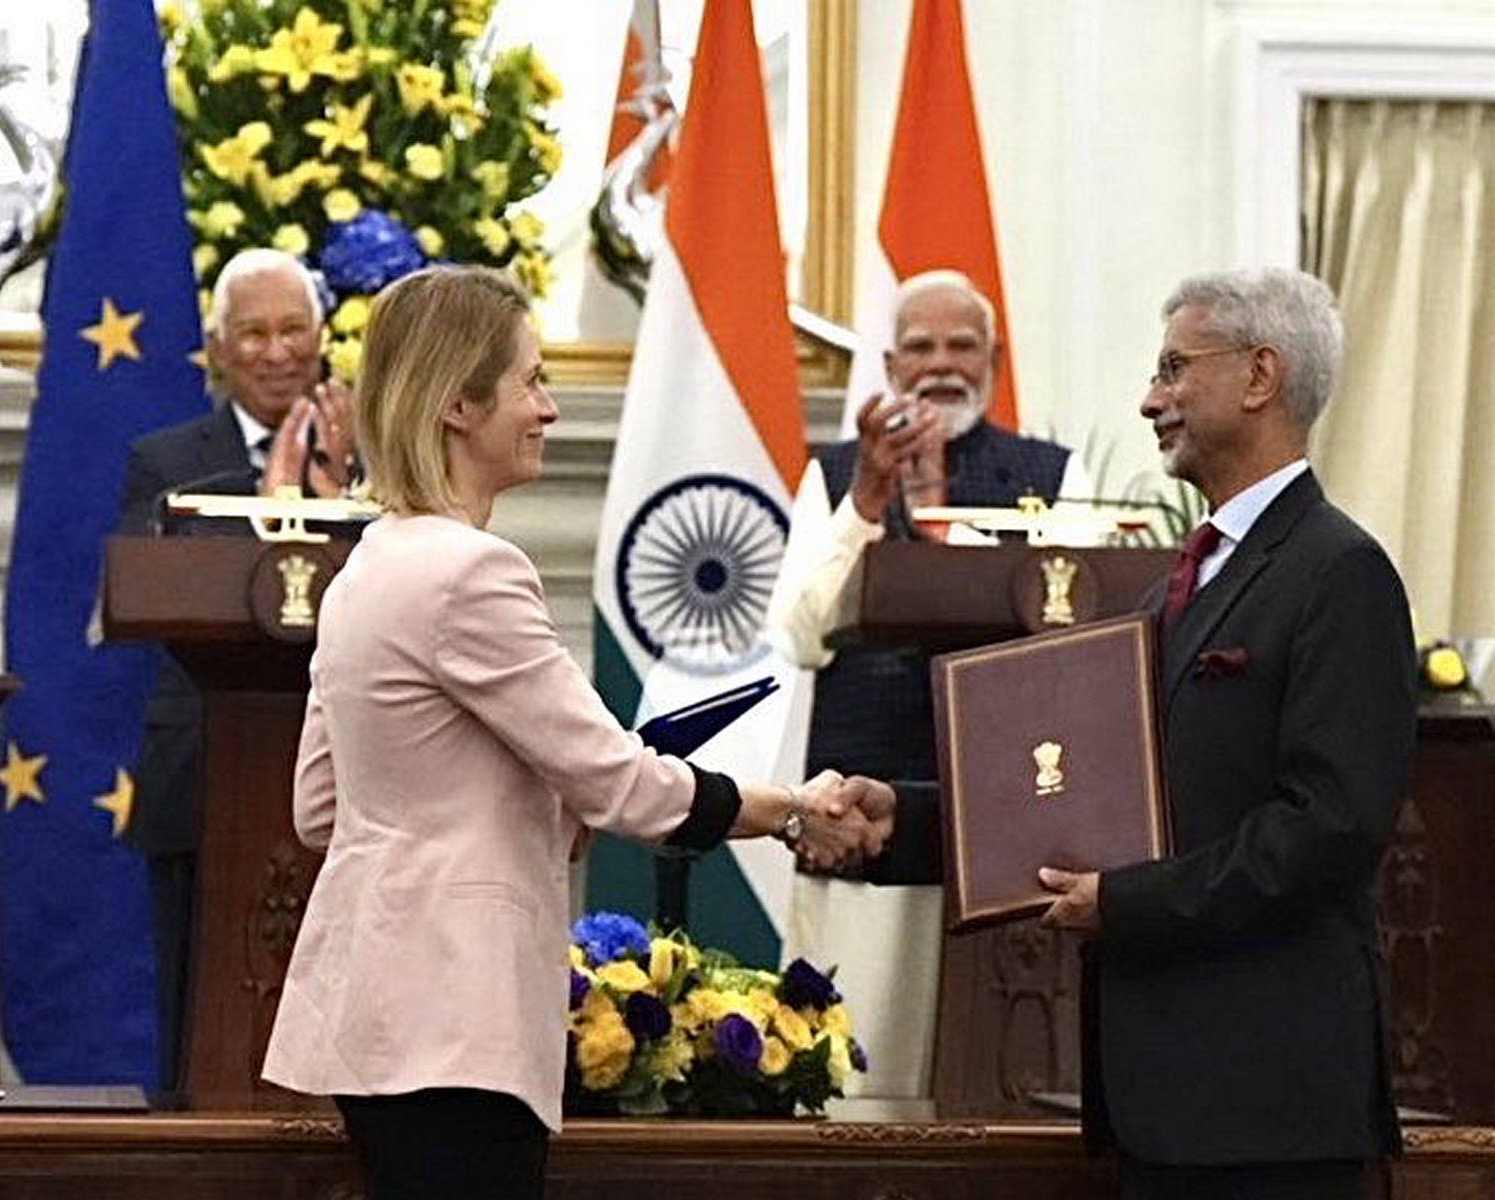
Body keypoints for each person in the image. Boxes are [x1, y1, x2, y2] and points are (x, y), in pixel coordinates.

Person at [259, 265, 891, 1200]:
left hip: (377, 1013)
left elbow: (321, 808)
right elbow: (621, 785)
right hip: (456, 1013)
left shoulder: (366, 567)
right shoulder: (473, 572)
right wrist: (790, 810)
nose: (548, 408)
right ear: (458, 406)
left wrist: (518, 799)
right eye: (531, 380)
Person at [852, 266, 1415, 1199]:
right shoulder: (1177, 586)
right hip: (1167, 1105)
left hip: (1269, 1109)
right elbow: (1079, 791)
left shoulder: (1338, 572)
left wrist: (1129, 903)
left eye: (1172, 368)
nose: (1150, 399)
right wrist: (899, 823)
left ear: (1260, 375)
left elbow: (1328, 827)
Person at [765, 268, 1088, 1098]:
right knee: (855, 1079)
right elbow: (801, 634)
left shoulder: (1052, 472)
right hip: (863, 815)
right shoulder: (836, 472)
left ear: (994, 356)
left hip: (1008, 823)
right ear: (889, 361)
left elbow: (1082, 638)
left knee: (998, 1082)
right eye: (921, 346)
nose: (942, 364)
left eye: (962, 345)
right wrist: (870, 501)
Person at [116, 247, 358, 1091]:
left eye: (294, 329)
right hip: (202, 772)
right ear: (218, 349)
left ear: (322, 339)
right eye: (252, 333)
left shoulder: (371, 453)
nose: (275, 350)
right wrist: (277, 503)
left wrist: (337, 494)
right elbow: (162, 590)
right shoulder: (168, 461)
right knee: (196, 1013)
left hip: (351, 772)